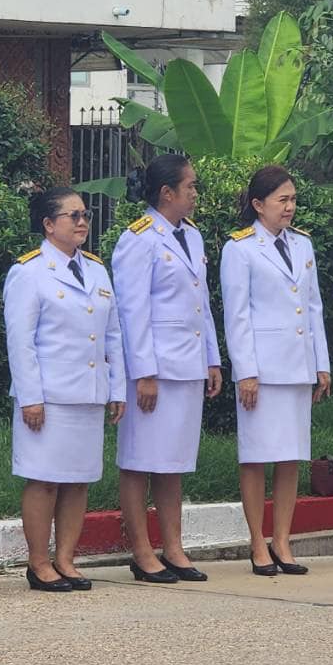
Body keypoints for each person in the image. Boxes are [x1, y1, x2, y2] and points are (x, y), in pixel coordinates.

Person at [5, 187, 126, 592]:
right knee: (44, 479)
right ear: (48, 224)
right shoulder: (29, 271)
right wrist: (30, 397)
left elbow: (113, 335)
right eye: (72, 215)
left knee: (78, 480)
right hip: (50, 395)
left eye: (84, 214)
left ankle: (66, 559)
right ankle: (38, 562)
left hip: (88, 392)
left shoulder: (96, 270)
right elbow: (21, 341)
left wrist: (117, 389)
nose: (82, 222)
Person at [110, 154, 223, 584]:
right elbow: (132, 310)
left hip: (187, 363)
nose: (195, 193)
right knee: (140, 459)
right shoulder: (138, 239)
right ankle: (142, 551)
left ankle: (173, 547)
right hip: (155, 367)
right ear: (166, 192)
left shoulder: (191, 235)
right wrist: (144, 372)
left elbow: (201, 303)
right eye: (189, 186)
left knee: (173, 460)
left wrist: (211, 357)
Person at [220, 165, 331, 577]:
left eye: (293, 199)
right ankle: (257, 541)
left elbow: (314, 307)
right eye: (282, 200)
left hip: (297, 364)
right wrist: (246, 371)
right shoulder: (240, 248)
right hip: (263, 370)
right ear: (258, 204)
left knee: (290, 457)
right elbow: (237, 315)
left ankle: (282, 540)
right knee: (256, 456)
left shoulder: (302, 244)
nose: (289, 207)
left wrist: (321, 363)